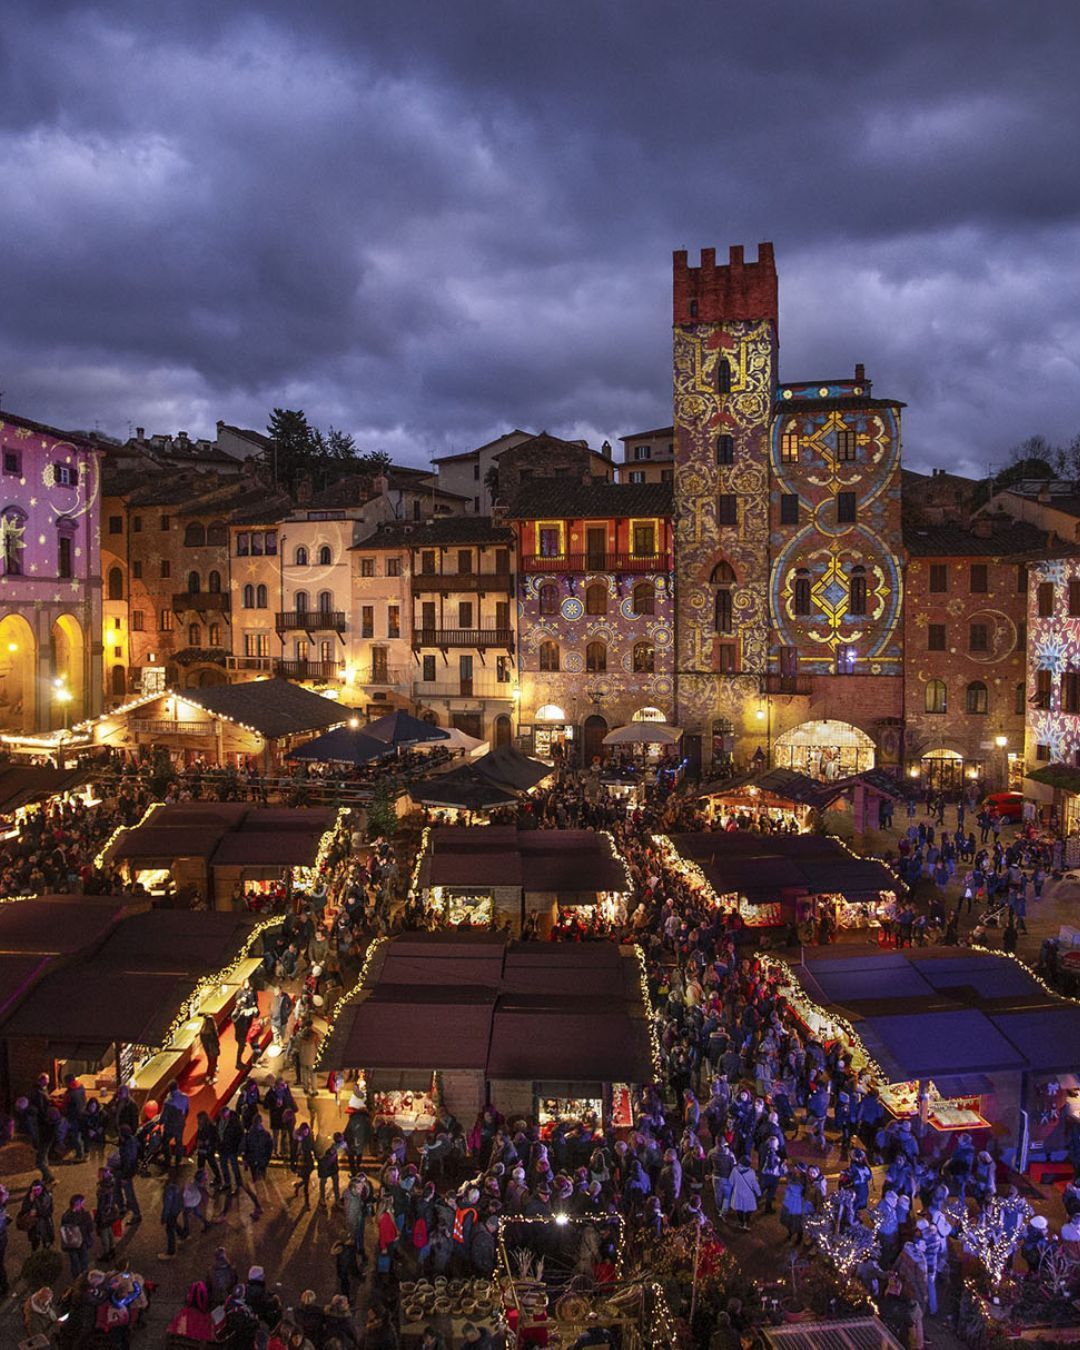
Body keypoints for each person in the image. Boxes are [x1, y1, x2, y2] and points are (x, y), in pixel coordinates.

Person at [59, 1192, 94, 1277]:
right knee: (78, 1262)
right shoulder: (81, 1215)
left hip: (76, 1243)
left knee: (80, 1261)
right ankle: (79, 1278)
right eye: (81, 1203)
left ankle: (81, 1277)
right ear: (76, 1204)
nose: (83, 1205)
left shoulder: (66, 1216)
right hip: (75, 1243)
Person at [160, 1079, 190, 1168]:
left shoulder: (168, 1102)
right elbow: (187, 1110)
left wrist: (160, 1122)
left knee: (165, 1142)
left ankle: (168, 1159)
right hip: (180, 1123)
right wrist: (184, 1119)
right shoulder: (185, 1097)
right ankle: (178, 1160)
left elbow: (164, 1116)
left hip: (170, 1125)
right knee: (179, 1142)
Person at [19, 1178, 54, 1251]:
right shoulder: (28, 1198)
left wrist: (37, 1210)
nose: (36, 1192)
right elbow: (23, 1210)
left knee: (46, 1240)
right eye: (34, 1190)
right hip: (33, 1225)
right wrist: (30, 1202)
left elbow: (48, 1211)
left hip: (45, 1223)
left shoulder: (46, 1197)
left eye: (38, 1189)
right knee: (35, 1242)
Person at [159, 1174, 187, 1260]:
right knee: (173, 1222)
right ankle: (182, 1234)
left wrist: (164, 1217)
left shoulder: (169, 1190)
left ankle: (171, 1252)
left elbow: (167, 1206)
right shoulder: (177, 1186)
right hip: (177, 1208)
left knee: (169, 1229)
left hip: (172, 1211)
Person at [729, 1156, 760, 1230]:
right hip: (748, 1195)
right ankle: (746, 1222)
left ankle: (741, 1223)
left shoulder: (734, 1170)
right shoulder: (751, 1172)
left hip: (737, 1194)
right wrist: (758, 1193)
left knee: (739, 1209)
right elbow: (755, 1184)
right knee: (748, 1209)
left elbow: (730, 1182)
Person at [200, 1014, 221, 1086]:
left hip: (207, 1049)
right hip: (213, 1049)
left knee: (210, 1062)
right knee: (213, 1063)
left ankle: (208, 1076)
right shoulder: (212, 1032)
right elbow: (216, 1041)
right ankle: (211, 1078)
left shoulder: (203, 1031)